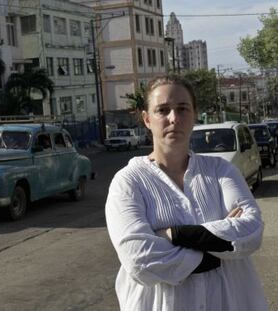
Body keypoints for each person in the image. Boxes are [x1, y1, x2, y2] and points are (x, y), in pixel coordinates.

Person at [105, 75, 267, 311]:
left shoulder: (220, 170)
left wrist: (175, 234)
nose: (174, 118)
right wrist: (216, 252)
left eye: (182, 108)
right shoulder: (128, 181)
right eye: (162, 110)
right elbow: (138, 259)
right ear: (147, 119)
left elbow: (251, 230)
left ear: (194, 114)